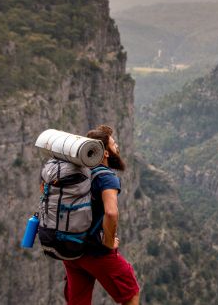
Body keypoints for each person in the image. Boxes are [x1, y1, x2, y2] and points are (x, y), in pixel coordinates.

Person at [62, 124, 140, 305]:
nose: (117, 147)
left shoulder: (80, 172)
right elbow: (111, 213)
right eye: (113, 144)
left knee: (78, 301)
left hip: (71, 251)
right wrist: (109, 242)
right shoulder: (106, 177)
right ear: (105, 153)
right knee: (130, 294)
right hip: (95, 252)